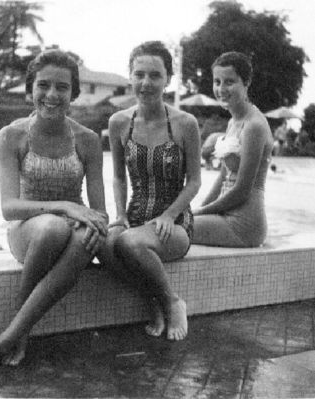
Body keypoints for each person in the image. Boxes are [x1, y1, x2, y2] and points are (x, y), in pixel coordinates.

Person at [0, 49, 108, 373]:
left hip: (73, 234)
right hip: (28, 232)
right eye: (43, 85)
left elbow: (99, 212)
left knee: (82, 238)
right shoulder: (12, 135)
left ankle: (8, 337)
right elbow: (9, 208)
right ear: (31, 89)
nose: (51, 95)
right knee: (53, 227)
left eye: (62, 87)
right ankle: (16, 334)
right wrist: (64, 205)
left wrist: (96, 224)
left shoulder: (88, 140)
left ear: (73, 94)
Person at [97, 41, 201, 341]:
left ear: (168, 79)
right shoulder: (119, 122)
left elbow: (194, 181)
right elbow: (118, 177)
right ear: (130, 76)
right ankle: (152, 300)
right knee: (103, 242)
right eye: (139, 74)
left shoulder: (185, 123)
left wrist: (169, 215)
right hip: (135, 217)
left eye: (155, 75)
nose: (146, 83)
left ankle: (171, 301)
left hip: (176, 224)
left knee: (129, 244)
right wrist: (119, 214)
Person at [192, 51, 273, 248]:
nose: (221, 89)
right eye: (217, 82)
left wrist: (198, 214)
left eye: (229, 82)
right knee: (165, 224)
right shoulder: (233, 122)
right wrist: (199, 208)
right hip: (225, 214)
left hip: (244, 223)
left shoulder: (253, 126)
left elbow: (242, 191)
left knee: (168, 229)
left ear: (246, 83)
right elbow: (222, 178)